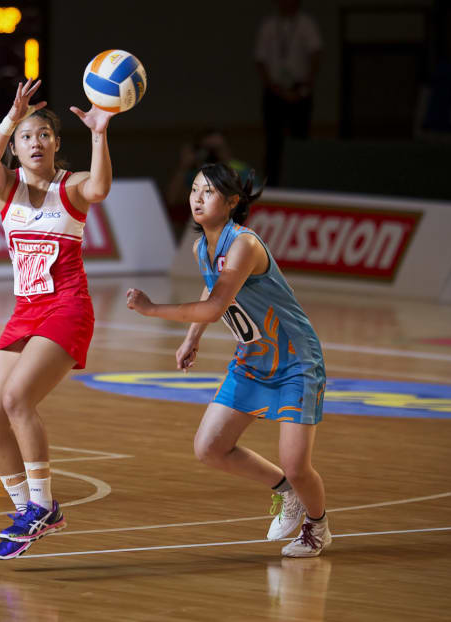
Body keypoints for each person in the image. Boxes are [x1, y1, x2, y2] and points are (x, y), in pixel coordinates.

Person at [126, 162, 330, 557]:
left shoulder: (244, 244)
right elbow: (211, 288)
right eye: (194, 191)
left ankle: (317, 526)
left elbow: (218, 305)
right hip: (252, 359)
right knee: (210, 447)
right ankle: (287, 494)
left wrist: (153, 310)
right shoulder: (201, 245)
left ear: (233, 201)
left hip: (295, 361)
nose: (197, 199)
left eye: (208, 192)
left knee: (297, 464)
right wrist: (192, 337)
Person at [0, 79, 115, 560]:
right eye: (27, 137)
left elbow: (99, 187)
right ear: (15, 146)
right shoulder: (5, 189)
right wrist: (10, 118)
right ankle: (32, 512)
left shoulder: (70, 186)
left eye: (45, 136)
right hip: (24, 312)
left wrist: (99, 133)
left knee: (17, 399)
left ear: (56, 144)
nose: (36, 143)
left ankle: (40, 504)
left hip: (67, 307)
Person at [255, 0, 322, 186]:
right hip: (274, 90)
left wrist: (306, 85)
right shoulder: (268, 26)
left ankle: (301, 182)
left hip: (299, 88)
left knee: (300, 140)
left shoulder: (306, 24)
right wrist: (274, 88)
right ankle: (272, 185)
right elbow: (260, 60)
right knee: (273, 142)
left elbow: (316, 54)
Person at [165, 129, 253, 236]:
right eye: (208, 150)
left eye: (217, 149)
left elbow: (251, 201)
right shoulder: (197, 173)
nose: (213, 154)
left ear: (227, 149)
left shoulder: (241, 170)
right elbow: (173, 199)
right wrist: (184, 165)